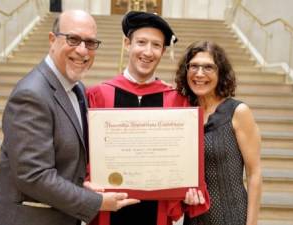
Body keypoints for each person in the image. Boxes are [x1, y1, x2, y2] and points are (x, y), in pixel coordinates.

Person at [0, 10, 139, 225]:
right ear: (52, 40)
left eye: (90, 43)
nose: (82, 50)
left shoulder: (77, 88)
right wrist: (97, 201)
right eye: (73, 39)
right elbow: (34, 176)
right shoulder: (32, 95)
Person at [87, 11, 210, 225]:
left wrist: (190, 187)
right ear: (127, 43)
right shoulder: (99, 95)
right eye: (141, 42)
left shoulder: (176, 100)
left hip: (156, 213)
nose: (148, 52)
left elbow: (185, 157)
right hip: (108, 210)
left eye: (156, 45)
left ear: (163, 51)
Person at [175, 40, 262, 225]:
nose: (199, 74)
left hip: (232, 216)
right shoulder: (184, 113)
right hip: (194, 219)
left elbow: (254, 174)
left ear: (220, 72)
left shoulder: (238, 112)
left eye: (208, 67)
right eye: (194, 66)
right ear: (186, 71)